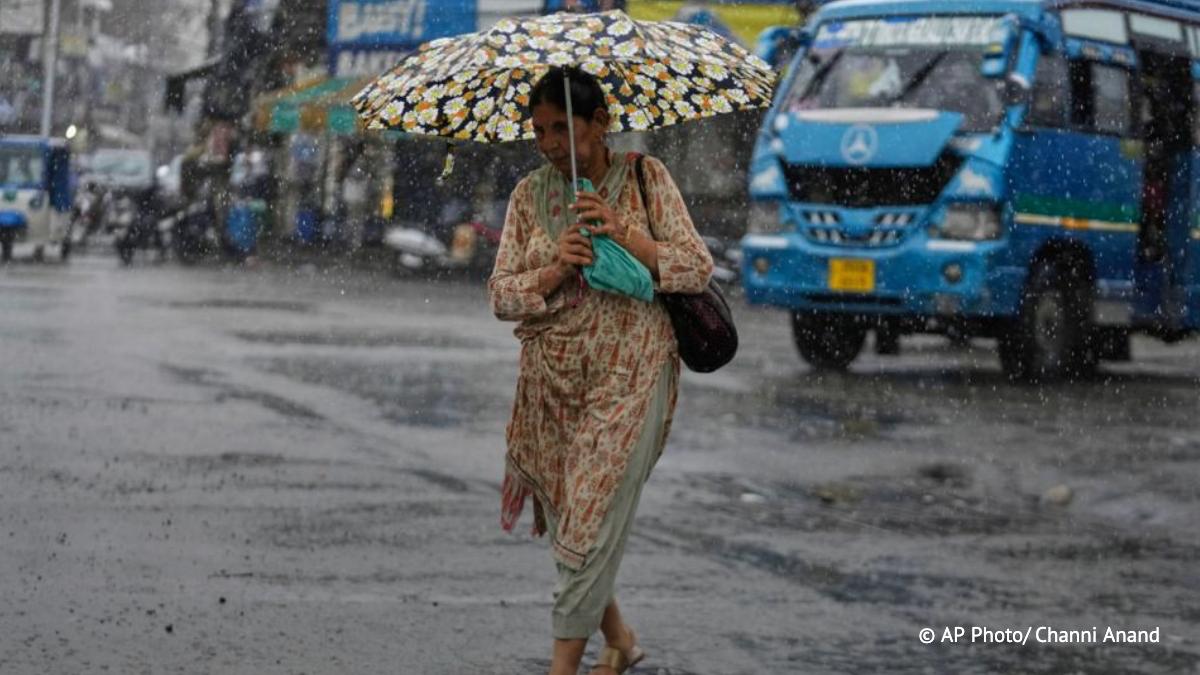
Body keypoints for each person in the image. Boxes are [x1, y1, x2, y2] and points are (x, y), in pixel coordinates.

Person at [488, 66, 713, 675]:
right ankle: (620, 640)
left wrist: (629, 236)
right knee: (572, 520)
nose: (551, 143)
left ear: (601, 124)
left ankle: (561, 668)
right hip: (552, 385)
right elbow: (502, 295)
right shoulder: (529, 197)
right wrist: (556, 267)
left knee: (589, 520)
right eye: (539, 131)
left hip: (632, 377)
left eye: (564, 128)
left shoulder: (647, 177)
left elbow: (696, 268)